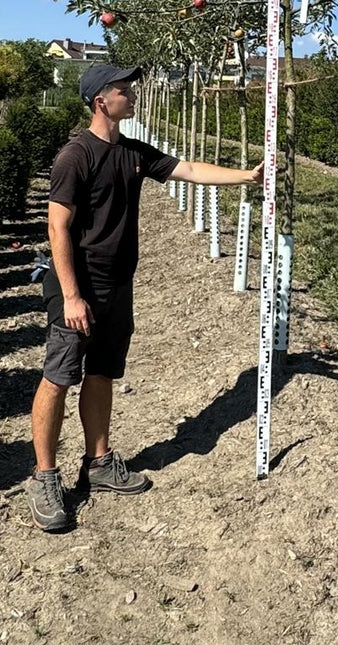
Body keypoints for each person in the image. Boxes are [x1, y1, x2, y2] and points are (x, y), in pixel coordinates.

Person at [26, 63, 263, 533]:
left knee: (102, 373)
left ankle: (98, 462)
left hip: (117, 284)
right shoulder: (75, 156)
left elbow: (189, 169)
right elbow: (57, 227)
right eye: (124, 90)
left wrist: (248, 177)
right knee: (58, 376)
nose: (132, 96)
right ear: (101, 101)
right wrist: (72, 297)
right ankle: (44, 476)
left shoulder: (132, 152)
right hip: (78, 285)